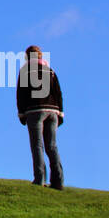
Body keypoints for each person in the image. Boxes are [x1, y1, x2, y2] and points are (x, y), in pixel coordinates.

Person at [16, 45, 64, 189]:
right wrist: (60, 113)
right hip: (53, 111)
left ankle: (40, 178)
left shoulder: (25, 71)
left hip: (35, 111)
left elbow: (21, 95)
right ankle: (58, 182)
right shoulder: (50, 71)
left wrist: (21, 113)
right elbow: (58, 93)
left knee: (37, 145)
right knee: (52, 146)